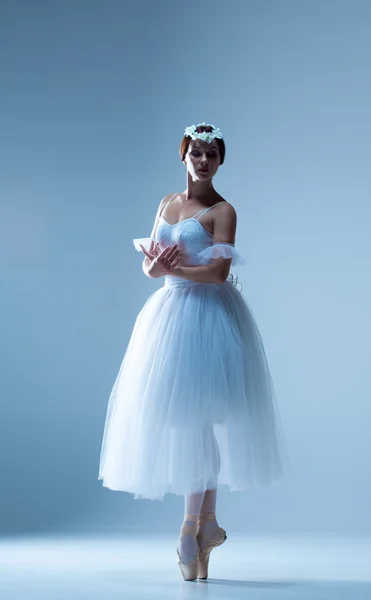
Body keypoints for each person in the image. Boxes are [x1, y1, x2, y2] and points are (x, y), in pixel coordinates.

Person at [98, 122, 288, 581]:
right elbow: (151, 267)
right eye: (197, 153)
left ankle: (192, 531)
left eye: (212, 155)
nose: (203, 162)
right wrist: (157, 264)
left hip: (209, 318)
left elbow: (220, 274)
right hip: (169, 315)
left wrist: (177, 265)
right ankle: (201, 529)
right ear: (183, 156)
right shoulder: (167, 203)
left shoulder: (224, 210)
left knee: (199, 421)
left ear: (221, 162)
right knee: (188, 422)